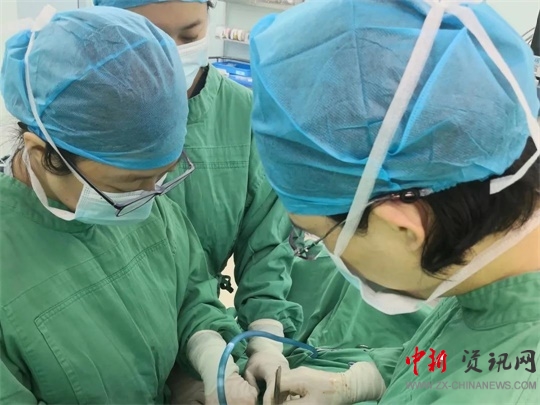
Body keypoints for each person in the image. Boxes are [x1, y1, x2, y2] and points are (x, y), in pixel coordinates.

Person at [249, 0, 540, 404]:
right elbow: (458, 356)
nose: (331, 254)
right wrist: (364, 380)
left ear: (403, 226)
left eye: (319, 236)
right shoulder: (485, 275)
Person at [0, 6, 256, 404]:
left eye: (161, 176)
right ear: (41, 154)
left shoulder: (149, 204)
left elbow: (190, 293)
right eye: (128, 183)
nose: (149, 197)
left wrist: (207, 354)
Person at [92, 0, 303, 401]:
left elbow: (267, 246)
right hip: (115, 344)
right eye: (151, 37)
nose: (172, 53)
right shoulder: (87, 115)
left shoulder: (243, 115)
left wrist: (265, 341)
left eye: (190, 34)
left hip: (206, 328)